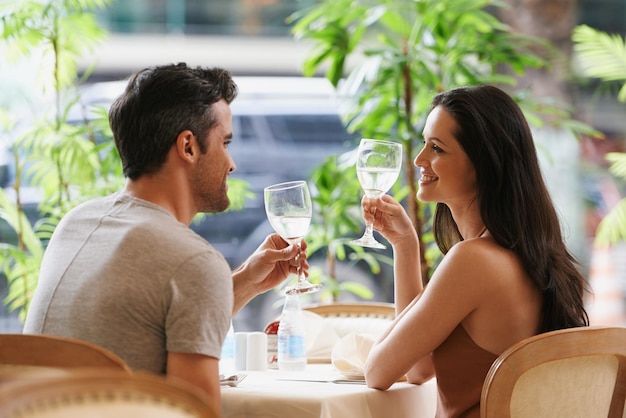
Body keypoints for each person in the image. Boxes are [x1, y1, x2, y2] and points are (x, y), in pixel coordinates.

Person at [23, 62, 308, 413]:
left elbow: (151, 325)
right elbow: (197, 411)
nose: (232, 164)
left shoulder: (76, 223)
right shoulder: (193, 262)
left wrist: (247, 281)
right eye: (225, 142)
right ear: (188, 146)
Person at [362, 85, 589, 417]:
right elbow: (419, 368)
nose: (419, 159)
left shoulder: (473, 261)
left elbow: (378, 370)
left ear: (483, 164)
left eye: (436, 148)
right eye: (425, 143)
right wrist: (405, 246)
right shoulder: (523, 257)